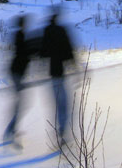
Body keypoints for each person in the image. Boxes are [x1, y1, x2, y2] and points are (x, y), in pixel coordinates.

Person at [41, 12, 74, 145]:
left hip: (52, 73)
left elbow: (43, 52)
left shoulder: (47, 32)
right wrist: (74, 65)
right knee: (63, 104)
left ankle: (60, 130)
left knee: (57, 104)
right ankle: (62, 130)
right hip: (60, 72)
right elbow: (68, 50)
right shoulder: (61, 31)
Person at [4, 15, 32, 147]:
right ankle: (10, 131)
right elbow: (23, 53)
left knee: (20, 102)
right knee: (21, 103)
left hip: (17, 72)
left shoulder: (20, 35)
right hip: (16, 72)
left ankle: (12, 129)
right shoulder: (20, 35)